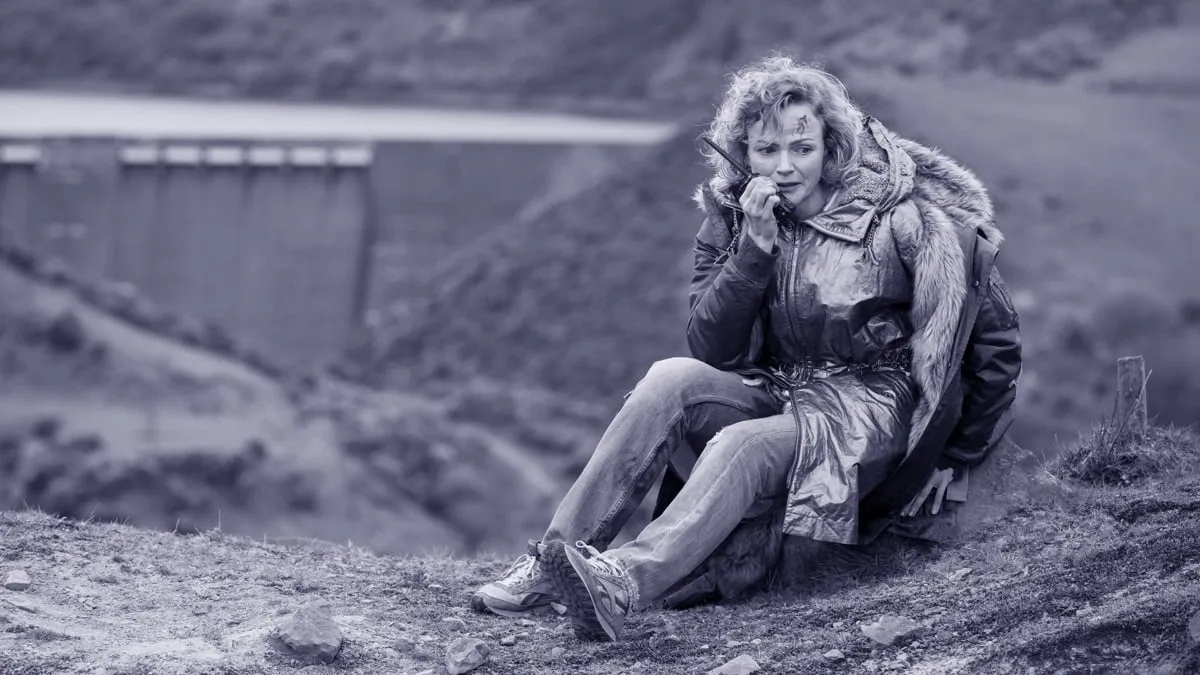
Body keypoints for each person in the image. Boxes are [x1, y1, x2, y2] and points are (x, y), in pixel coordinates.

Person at [471, 55, 1021, 642]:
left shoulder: (906, 218)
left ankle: (621, 583)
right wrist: (753, 253)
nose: (784, 167)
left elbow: (994, 341)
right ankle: (553, 563)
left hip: (871, 404)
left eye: (801, 149)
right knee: (669, 378)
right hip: (783, 390)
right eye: (766, 151)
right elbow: (713, 347)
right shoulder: (734, 219)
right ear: (743, 152)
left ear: (832, 146)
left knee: (743, 443)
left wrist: (957, 457)